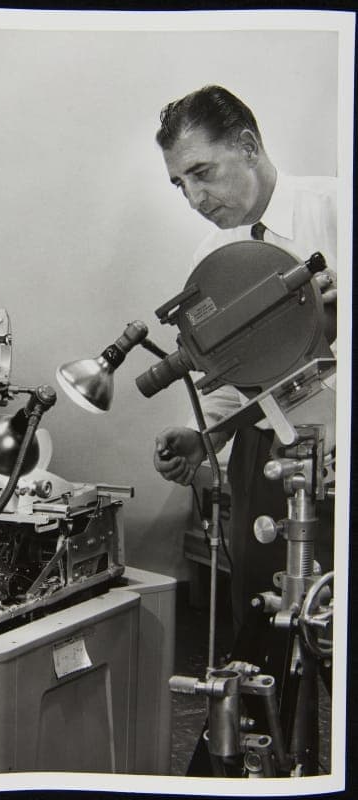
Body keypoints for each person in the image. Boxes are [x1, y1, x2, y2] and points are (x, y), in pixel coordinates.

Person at [151, 85, 337, 634]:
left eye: (202, 173)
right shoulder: (213, 258)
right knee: (261, 620)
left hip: (341, 451)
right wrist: (203, 436)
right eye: (180, 184)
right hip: (264, 458)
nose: (194, 198)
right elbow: (233, 376)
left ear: (249, 147)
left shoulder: (338, 208)